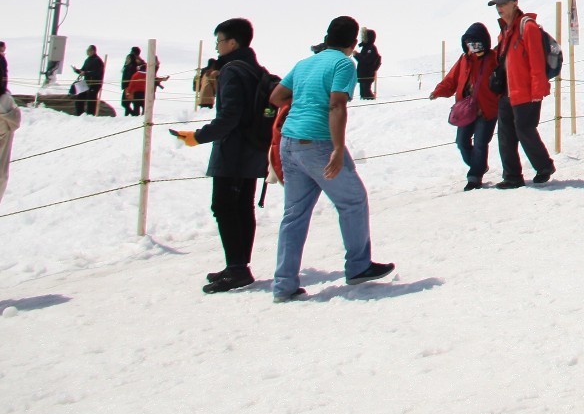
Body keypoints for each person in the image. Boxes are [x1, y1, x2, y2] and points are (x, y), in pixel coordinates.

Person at [268, 16, 393, 300]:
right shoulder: (343, 64)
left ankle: (284, 285)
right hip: (319, 142)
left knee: (294, 215)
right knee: (353, 200)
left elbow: (277, 96)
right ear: (352, 43)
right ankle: (359, 266)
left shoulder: (304, 63)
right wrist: (337, 148)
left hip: (289, 142)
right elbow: (337, 104)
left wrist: (303, 101)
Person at [168, 18, 273, 294]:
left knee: (225, 207)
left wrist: (197, 136)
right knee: (242, 208)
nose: (217, 46)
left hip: (233, 153)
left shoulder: (231, 71)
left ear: (232, 43)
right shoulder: (255, 69)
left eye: (219, 41)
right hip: (254, 149)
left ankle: (238, 268)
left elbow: (230, 117)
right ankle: (238, 265)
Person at [488, 0, 556, 187]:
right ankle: (512, 176)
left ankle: (544, 166)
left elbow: (536, 61)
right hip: (507, 91)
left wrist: (538, 91)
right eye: (497, 5)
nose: (499, 8)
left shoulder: (527, 27)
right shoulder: (505, 31)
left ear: (514, 4)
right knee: (506, 134)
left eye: (502, 4)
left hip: (526, 91)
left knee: (525, 129)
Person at [430, 22, 501, 189]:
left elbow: (503, 80)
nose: (472, 47)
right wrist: (438, 91)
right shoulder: (464, 60)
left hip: (487, 109)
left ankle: (474, 177)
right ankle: (479, 166)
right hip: (466, 110)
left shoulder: (493, 58)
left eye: (475, 43)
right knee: (461, 141)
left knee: (480, 143)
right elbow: (451, 79)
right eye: (469, 43)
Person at [73, 45, 105, 115]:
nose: (87, 52)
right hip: (86, 82)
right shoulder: (87, 60)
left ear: (93, 51)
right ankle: (80, 114)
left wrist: (86, 73)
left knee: (91, 99)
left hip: (94, 83)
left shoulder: (97, 60)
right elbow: (83, 70)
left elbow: (97, 73)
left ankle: (90, 115)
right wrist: (77, 71)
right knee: (79, 98)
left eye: (88, 51)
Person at [354, 29, 382, 101]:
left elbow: (366, 60)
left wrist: (356, 55)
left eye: (365, 36)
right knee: (363, 92)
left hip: (367, 74)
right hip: (363, 74)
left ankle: (372, 104)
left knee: (366, 92)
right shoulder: (366, 47)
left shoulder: (371, 48)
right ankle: (366, 105)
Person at [119, 47, 145, 116]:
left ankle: (132, 115)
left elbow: (132, 76)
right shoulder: (128, 65)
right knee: (126, 103)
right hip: (127, 86)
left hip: (130, 86)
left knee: (127, 103)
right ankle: (129, 115)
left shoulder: (135, 65)